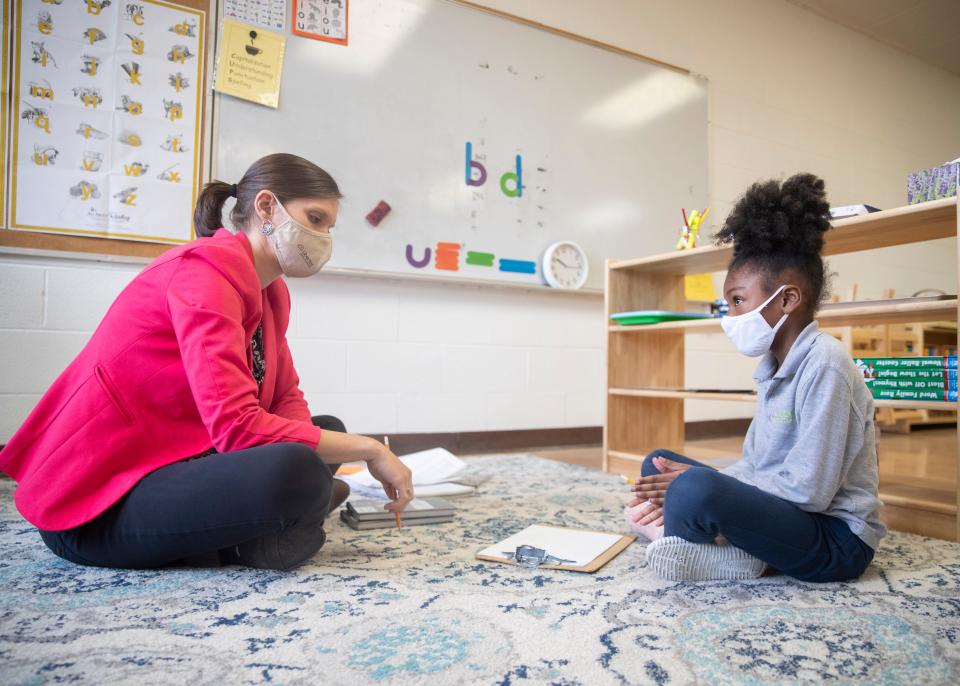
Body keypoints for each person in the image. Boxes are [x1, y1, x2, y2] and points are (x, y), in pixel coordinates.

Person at [0, 153, 413, 570]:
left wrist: (342, 448)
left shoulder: (270, 292)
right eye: (316, 218)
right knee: (299, 467)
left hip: (178, 457)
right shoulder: (204, 275)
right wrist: (371, 450)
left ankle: (282, 515)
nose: (324, 237)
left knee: (324, 434)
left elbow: (284, 396)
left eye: (329, 226)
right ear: (267, 208)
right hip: (97, 508)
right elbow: (237, 427)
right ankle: (256, 537)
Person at [630, 173, 886, 582]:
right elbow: (755, 466)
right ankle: (714, 546)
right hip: (792, 517)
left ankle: (702, 544)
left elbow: (810, 491)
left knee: (695, 489)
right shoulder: (772, 366)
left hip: (835, 541)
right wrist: (703, 481)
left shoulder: (827, 363)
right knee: (658, 463)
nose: (729, 316)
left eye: (737, 301)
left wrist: (705, 485)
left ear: (787, 299)